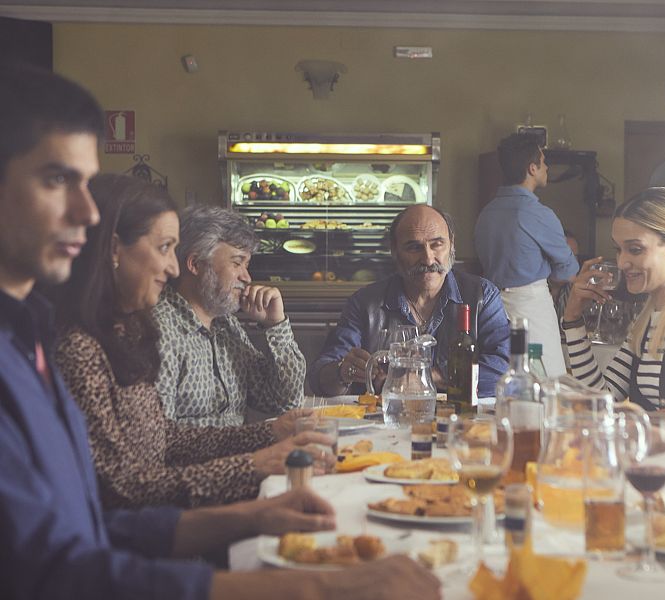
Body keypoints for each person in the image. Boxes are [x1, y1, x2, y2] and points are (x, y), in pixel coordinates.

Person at [0, 61, 439, 600]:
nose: (87, 212)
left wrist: (255, 500)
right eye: (55, 179)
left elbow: (96, 524)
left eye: (87, 185)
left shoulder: (36, 336)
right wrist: (310, 581)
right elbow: (78, 548)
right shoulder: (79, 345)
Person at [55, 173, 335, 510]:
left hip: (199, 502)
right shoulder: (90, 345)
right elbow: (122, 488)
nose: (172, 269)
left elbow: (164, 437)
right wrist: (251, 466)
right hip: (177, 515)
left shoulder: (144, 326)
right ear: (114, 250)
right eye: (164, 248)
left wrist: (268, 434)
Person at [311, 204, 510, 398]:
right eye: (414, 247)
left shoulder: (482, 296)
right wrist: (342, 372)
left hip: (461, 417)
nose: (428, 259)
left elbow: (505, 368)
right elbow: (320, 377)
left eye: (437, 244)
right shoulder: (364, 303)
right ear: (394, 251)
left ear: (452, 244)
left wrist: (429, 377)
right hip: (386, 417)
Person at [562, 187, 665, 410]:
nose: (622, 263)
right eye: (618, 249)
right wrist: (573, 320)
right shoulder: (645, 321)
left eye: (635, 249)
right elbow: (600, 403)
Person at [153, 205, 305, 427]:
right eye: (237, 263)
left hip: (245, 446)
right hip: (215, 451)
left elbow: (283, 401)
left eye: (247, 264)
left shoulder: (227, 325)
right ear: (195, 264)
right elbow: (158, 436)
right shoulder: (160, 331)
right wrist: (258, 438)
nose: (247, 277)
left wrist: (275, 324)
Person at [475, 133, 579, 378]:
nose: (547, 167)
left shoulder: (486, 213)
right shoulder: (538, 214)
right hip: (531, 307)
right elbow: (569, 271)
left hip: (491, 307)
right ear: (532, 168)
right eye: (543, 162)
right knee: (546, 378)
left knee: (502, 377)